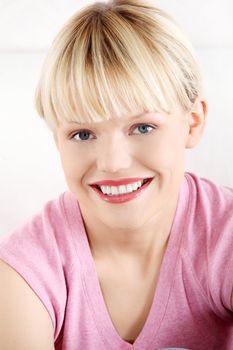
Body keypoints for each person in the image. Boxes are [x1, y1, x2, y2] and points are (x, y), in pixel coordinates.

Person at [0, 0, 232, 349]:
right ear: (58, 142)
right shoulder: (25, 270)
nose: (112, 163)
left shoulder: (224, 233)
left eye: (142, 127)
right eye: (82, 134)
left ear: (192, 123)